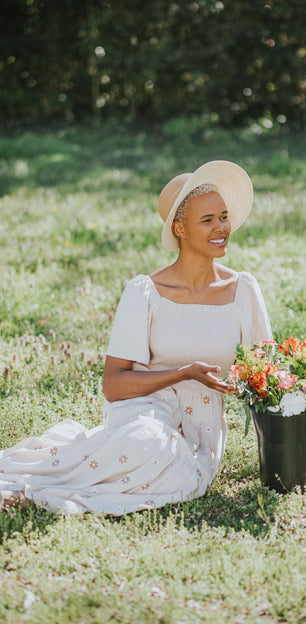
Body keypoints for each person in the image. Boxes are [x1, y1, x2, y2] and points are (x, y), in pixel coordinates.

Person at [0, 160, 272, 515]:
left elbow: (267, 378)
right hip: (144, 410)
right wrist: (182, 373)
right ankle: (31, 489)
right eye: (207, 220)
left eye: (223, 216)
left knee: (179, 472)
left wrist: (286, 450)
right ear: (180, 229)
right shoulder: (145, 292)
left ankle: (60, 480)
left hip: (201, 430)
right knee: (149, 443)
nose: (221, 227)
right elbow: (114, 385)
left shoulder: (242, 291)